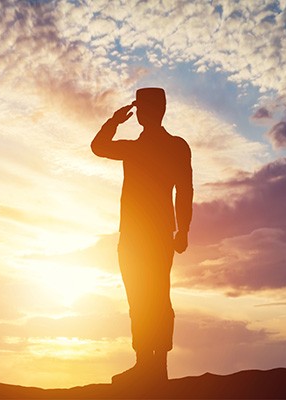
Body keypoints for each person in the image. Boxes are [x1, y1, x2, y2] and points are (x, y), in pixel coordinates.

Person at [91, 87, 193, 386]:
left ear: (149, 112)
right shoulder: (154, 147)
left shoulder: (160, 147)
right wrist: (183, 229)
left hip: (149, 235)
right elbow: (98, 147)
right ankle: (146, 363)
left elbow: (184, 190)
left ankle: (154, 365)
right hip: (142, 236)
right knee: (145, 297)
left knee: (152, 298)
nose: (147, 113)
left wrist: (114, 120)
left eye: (146, 108)